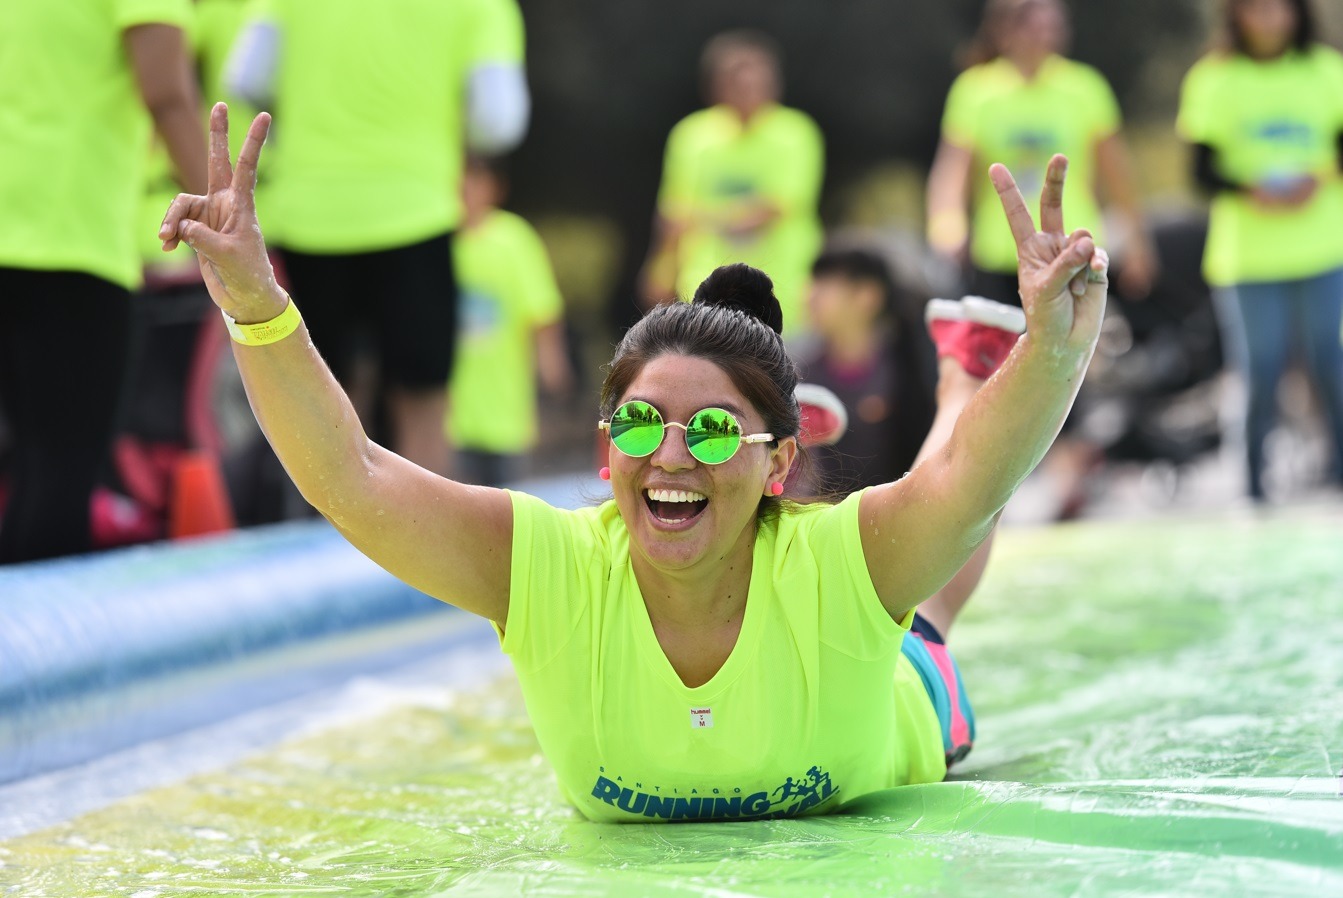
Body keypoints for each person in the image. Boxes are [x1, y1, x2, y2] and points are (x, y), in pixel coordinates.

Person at [161, 105, 1108, 822]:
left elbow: (965, 485)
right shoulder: (547, 570)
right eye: (644, 424)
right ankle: (815, 405)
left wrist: (1052, 349)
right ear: (605, 446)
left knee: (929, 596)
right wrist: (253, 301)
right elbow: (352, 477)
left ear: (777, 468)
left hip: (900, 695)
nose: (667, 457)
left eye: (706, 434)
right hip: (781, 478)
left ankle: (963, 372)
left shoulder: (840, 568)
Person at [225, 0, 530, 477]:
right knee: (422, 399)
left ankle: (324, 534)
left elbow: (244, 78)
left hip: (311, 214)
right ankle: (425, 539)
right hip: (416, 212)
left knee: (324, 395)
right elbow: (499, 119)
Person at [925, 0, 1155, 519]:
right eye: (1036, 23)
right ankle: (989, 484)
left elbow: (1115, 169)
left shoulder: (1085, 87)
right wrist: (947, 224)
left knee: (1064, 362)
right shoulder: (976, 90)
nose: (1048, 33)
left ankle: (1067, 482)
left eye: (1056, 23)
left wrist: (1138, 238)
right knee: (997, 370)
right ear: (1007, 30)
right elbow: (951, 170)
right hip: (997, 254)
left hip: (1068, 252)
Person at [0, 0, 206, 563]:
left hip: (17, 231)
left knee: (30, 474)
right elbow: (166, 92)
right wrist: (234, 225)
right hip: (70, 239)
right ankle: (32, 651)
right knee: (60, 474)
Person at [1177, 0, 1343, 502]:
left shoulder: (1326, 70)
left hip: (1322, 250)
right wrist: (1252, 190)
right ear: (1237, 15)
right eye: (1258, 8)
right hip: (1248, 259)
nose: (1270, 18)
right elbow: (1200, 173)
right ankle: (1252, 486)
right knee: (1260, 369)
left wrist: (1319, 179)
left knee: (1330, 364)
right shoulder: (1213, 79)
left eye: (1280, 8)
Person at [640, 30, 824, 346]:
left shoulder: (795, 134)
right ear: (715, 86)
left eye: (757, 81)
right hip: (706, 298)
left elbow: (773, 209)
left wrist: (703, 219)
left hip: (785, 300)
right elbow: (673, 216)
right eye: (738, 82)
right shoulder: (691, 137)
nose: (748, 90)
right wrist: (659, 271)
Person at [447, 158, 574, 487]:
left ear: (492, 187)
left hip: (504, 407)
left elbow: (542, 310)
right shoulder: (436, 244)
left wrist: (552, 366)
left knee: (505, 500)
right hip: (449, 412)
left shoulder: (513, 239)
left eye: (472, 183)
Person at [793, 249, 939, 496]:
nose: (809, 296)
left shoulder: (909, 373)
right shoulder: (798, 371)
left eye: (824, 285)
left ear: (867, 296)